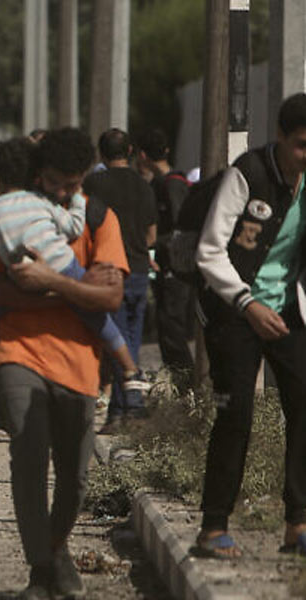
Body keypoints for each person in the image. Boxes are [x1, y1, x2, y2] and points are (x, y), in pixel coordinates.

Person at [0, 128, 129, 598]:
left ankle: (56, 550)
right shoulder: (15, 214)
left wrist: (48, 281)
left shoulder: (99, 218)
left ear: (85, 177)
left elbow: (109, 296)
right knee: (27, 454)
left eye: (72, 185)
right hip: (18, 353)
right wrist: (74, 292)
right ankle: (41, 570)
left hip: (79, 364)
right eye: (53, 183)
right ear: (38, 175)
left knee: (76, 478)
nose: (62, 193)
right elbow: (1, 292)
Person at [193, 92, 306, 560]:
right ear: (279, 136)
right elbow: (209, 251)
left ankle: (297, 523)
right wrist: (246, 304)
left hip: (289, 310)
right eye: (300, 144)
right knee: (236, 415)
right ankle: (213, 527)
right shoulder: (249, 174)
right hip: (233, 311)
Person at [83, 128, 158, 432]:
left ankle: (128, 409)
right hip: (139, 268)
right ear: (129, 151)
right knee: (131, 339)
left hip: (107, 269)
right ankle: (124, 410)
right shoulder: (144, 186)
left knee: (115, 339)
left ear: (101, 153)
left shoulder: (92, 185)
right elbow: (152, 233)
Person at [136, 129, 196, 393]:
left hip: (176, 270)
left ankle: (188, 391)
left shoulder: (171, 185)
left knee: (172, 332)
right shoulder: (162, 184)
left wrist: (152, 242)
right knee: (166, 331)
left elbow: (180, 230)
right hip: (167, 268)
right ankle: (184, 391)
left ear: (142, 156)